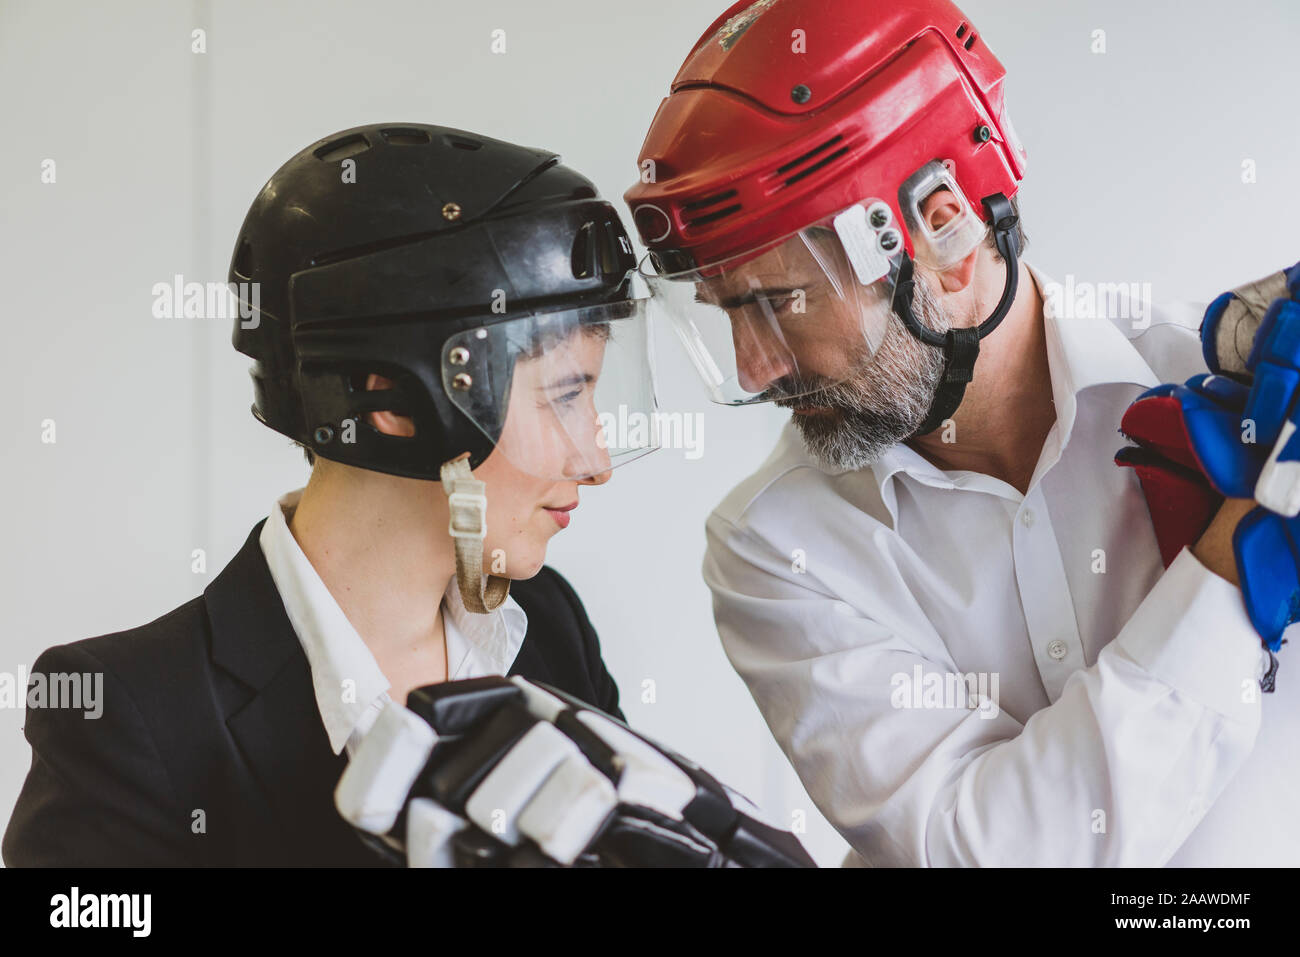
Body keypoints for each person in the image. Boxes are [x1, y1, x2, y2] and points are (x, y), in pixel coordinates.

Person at [625, 0, 1299, 865]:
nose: (754, 368)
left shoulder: (1227, 394)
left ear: (942, 224)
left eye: (775, 301)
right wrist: (1233, 551)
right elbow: (980, 853)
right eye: (726, 314)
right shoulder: (775, 546)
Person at [3, 123, 657, 866]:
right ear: (394, 401)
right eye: (564, 396)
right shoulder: (124, 713)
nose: (597, 459)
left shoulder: (550, 625)